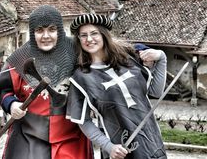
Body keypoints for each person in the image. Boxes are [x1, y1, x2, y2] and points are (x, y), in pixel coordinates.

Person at [0, 5, 93, 159]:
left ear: (60, 31)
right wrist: (12, 104)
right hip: (29, 135)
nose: (46, 35)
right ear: (32, 32)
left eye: (52, 30)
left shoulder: (77, 52)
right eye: (40, 30)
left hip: (71, 135)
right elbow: (2, 89)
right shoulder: (20, 58)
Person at [66, 13, 167, 159]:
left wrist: (161, 58)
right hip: (119, 150)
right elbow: (84, 121)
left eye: (94, 33)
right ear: (78, 39)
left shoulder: (128, 59)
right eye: (83, 35)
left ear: (104, 35)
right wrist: (109, 146)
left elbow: (155, 92)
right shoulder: (80, 78)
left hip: (152, 142)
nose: (89, 39)